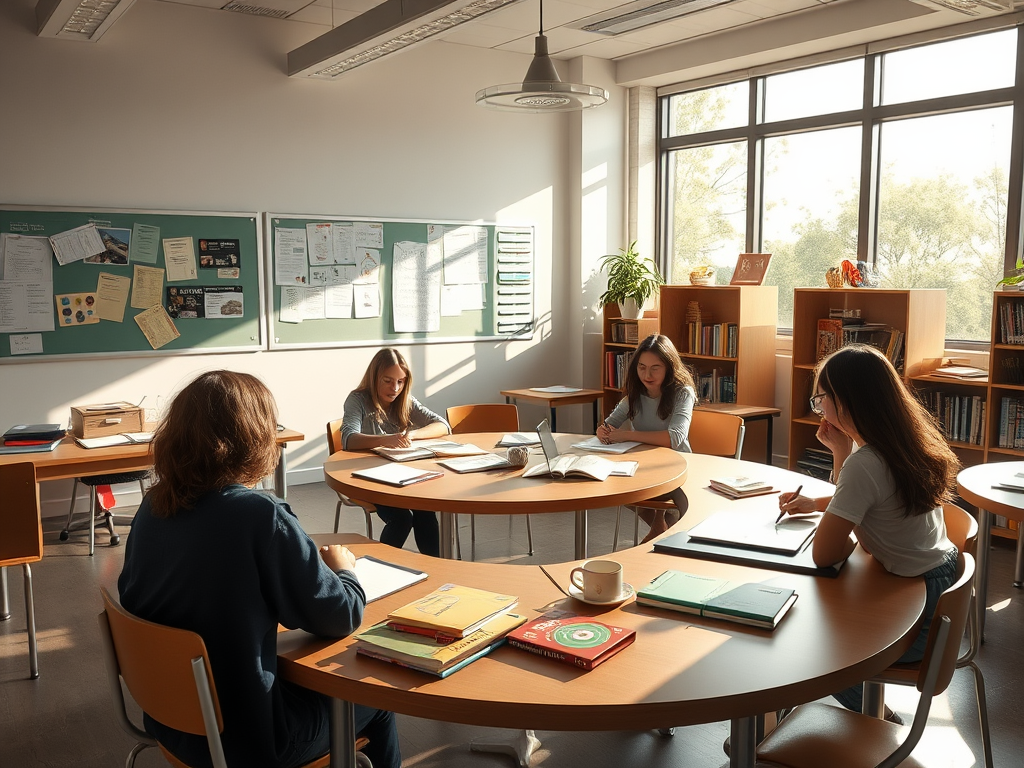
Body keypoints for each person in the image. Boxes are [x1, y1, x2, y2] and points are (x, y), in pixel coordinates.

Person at [118, 370, 400, 768]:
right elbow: (340, 615)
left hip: (172, 718)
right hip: (247, 738)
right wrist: (345, 571)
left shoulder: (152, 507)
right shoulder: (258, 516)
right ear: (254, 436)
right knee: (375, 699)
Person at [778, 344, 960, 718]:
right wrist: (840, 454)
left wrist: (840, 519)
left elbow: (825, 553)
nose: (819, 408)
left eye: (820, 399)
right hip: (939, 584)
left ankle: (878, 720)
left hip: (918, 615)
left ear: (845, 401)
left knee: (819, 648)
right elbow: (873, 503)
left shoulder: (866, 463)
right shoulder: (904, 441)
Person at [342, 348, 450, 557]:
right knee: (401, 519)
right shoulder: (358, 399)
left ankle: (437, 566)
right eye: (388, 381)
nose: (395, 388)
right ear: (375, 378)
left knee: (424, 508)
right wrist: (386, 440)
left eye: (401, 381)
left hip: (402, 475)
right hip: (368, 477)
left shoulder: (405, 400)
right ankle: (381, 567)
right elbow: (348, 439)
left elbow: (443, 425)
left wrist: (411, 436)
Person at [597, 333, 696, 542]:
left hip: (678, 467)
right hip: (644, 465)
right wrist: (603, 431)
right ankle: (661, 526)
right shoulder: (635, 394)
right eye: (642, 367)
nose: (647, 374)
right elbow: (609, 424)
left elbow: (675, 437)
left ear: (669, 367)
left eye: (655, 368)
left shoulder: (682, 393)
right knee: (616, 485)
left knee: (683, 506)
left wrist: (626, 435)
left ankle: (666, 529)